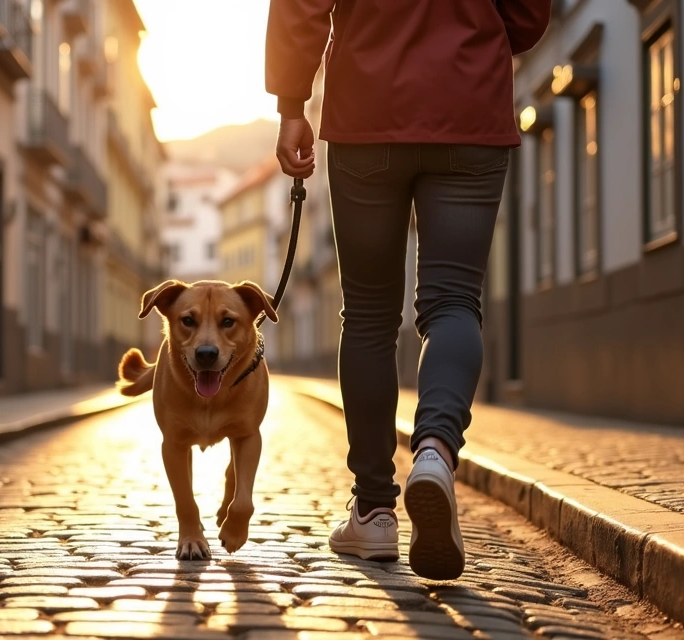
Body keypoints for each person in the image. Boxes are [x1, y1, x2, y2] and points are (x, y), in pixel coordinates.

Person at [265, 0, 552, 580]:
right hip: (469, 106)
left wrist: (292, 104)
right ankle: (434, 453)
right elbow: (527, 16)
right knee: (453, 302)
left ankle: (372, 511)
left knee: (369, 314)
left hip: (368, 111)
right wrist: (473, 39)